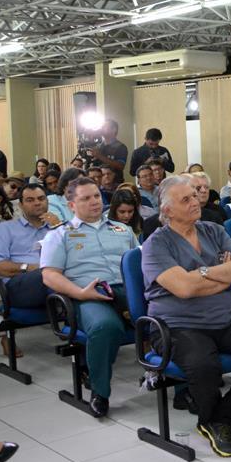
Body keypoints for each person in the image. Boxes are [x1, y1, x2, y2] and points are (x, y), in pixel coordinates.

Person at [142, 176, 231, 457]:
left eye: (194, 195)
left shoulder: (214, 231)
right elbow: (183, 289)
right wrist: (221, 275)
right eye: (186, 199)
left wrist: (202, 276)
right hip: (177, 326)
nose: (195, 201)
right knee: (204, 364)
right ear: (167, 210)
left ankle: (222, 416)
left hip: (223, 319)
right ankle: (212, 421)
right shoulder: (156, 245)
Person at [40, 177, 137, 417]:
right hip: (88, 294)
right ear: (71, 205)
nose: (94, 202)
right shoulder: (60, 234)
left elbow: (139, 264)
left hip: (127, 291)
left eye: (96, 196)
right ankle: (100, 392)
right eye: (85, 198)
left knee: (170, 314)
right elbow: (50, 276)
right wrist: (79, 293)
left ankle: (182, 389)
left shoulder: (122, 229)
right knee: (105, 326)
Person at [0, 184, 60, 357]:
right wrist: (29, 268)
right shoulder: (5, 229)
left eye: (41, 199)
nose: (37, 203)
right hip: (19, 286)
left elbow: (77, 254)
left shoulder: (56, 227)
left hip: (55, 280)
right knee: (47, 272)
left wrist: (60, 228)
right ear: (21, 205)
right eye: (30, 200)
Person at [88, 119, 128, 185]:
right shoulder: (98, 146)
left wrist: (99, 156)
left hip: (115, 183)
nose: (101, 129)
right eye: (101, 127)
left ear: (114, 129)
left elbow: (120, 166)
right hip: (99, 183)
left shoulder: (121, 147)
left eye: (104, 127)